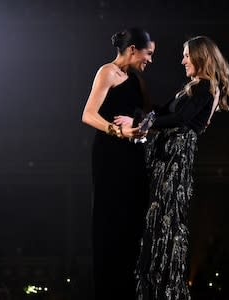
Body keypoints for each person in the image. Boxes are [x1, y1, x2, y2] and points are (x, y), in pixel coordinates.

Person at [115, 35, 229, 300]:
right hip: (165, 157)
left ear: (200, 57)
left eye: (186, 56)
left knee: (165, 219)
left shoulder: (205, 87)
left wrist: (141, 121)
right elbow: (162, 111)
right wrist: (136, 113)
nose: (183, 61)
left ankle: (161, 288)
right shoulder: (193, 87)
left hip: (175, 161)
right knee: (156, 217)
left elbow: (180, 118)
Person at [81, 27, 155, 299]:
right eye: (148, 53)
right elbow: (88, 114)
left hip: (133, 156)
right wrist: (119, 132)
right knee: (111, 221)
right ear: (133, 49)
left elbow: (150, 116)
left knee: (132, 222)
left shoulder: (137, 79)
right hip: (110, 155)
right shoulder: (107, 72)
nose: (150, 60)